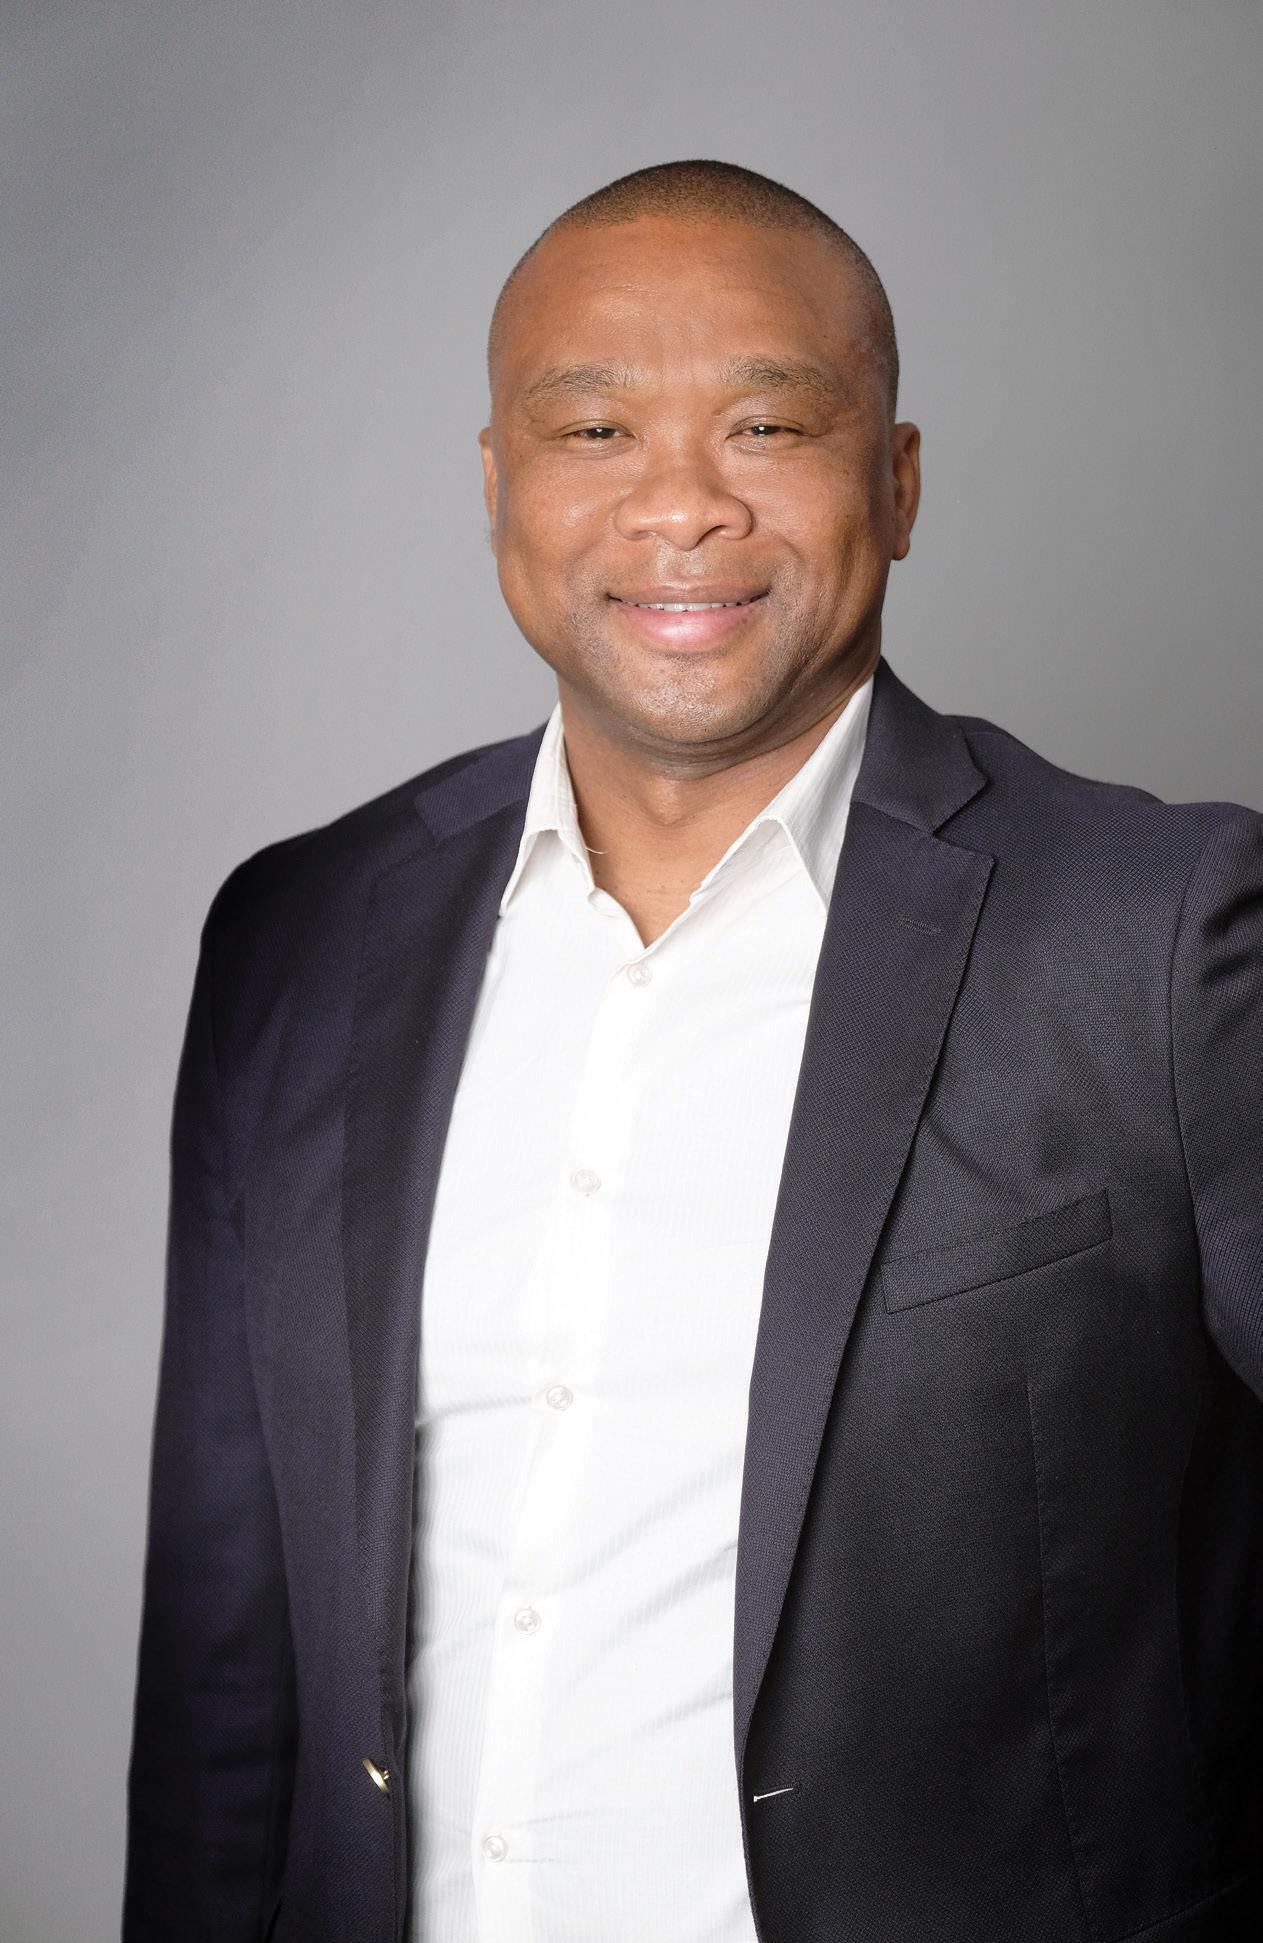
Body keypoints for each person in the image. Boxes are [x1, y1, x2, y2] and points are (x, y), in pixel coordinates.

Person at [123, 159, 1263, 1943]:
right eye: (592, 431)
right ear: (496, 485)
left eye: (766, 427)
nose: (678, 507)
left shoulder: (1158, 935)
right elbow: (229, 1639)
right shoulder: (300, 937)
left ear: (896, 482)